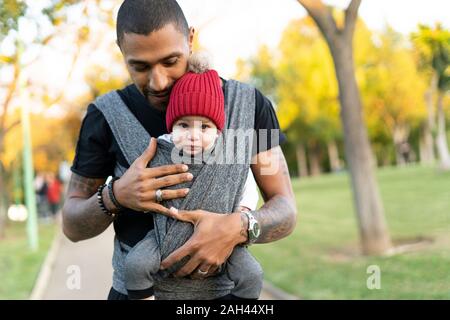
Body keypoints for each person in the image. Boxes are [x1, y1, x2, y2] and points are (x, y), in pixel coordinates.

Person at [63, 0, 297, 300]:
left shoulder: (248, 106)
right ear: (121, 50)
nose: (158, 81)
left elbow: (286, 209)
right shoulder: (104, 116)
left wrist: (239, 226)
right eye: (140, 66)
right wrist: (116, 196)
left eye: (170, 61)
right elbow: (72, 225)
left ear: (190, 39)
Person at [123, 63, 263, 300]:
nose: (193, 135)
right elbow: (139, 180)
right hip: (163, 235)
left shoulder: (229, 155)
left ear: (218, 131)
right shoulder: (159, 148)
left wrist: (242, 211)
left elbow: (247, 184)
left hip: (220, 233)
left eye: (204, 127)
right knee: (135, 266)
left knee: (252, 275)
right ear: (171, 126)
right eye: (183, 125)